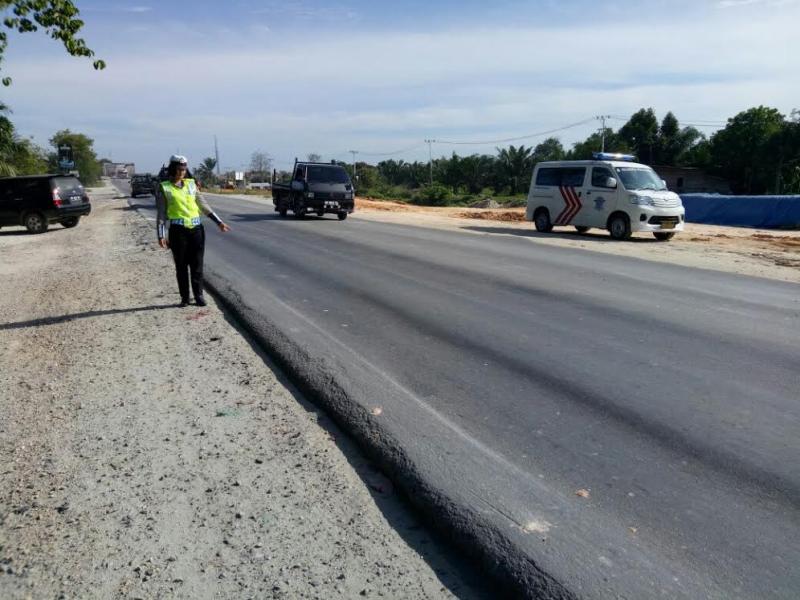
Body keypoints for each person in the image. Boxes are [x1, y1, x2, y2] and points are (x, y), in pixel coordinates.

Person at [156, 155, 231, 307]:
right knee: (181, 266)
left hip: (196, 230)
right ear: (173, 169)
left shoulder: (191, 184)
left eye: (184, 169)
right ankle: (184, 297)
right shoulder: (164, 187)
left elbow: (203, 205)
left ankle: (198, 296)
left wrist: (219, 222)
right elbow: (162, 213)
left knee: (197, 265)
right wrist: (161, 235)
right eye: (179, 169)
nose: (182, 172)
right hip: (178, 232)